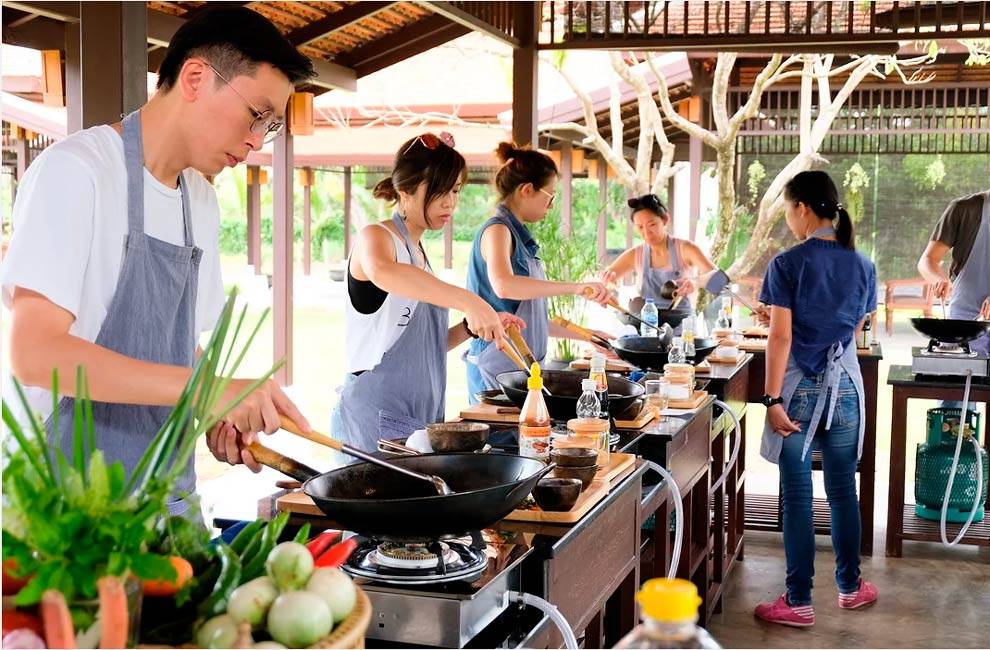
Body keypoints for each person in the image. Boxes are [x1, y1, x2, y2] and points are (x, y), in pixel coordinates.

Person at [1, 7, 314, 520]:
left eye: (272, 126)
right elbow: (36, 354)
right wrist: (206, 389)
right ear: (195, 78)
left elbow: (178, 350)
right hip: (64, 516)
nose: (258, 141)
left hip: (165, 504)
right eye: (257, 115)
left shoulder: (201, 201)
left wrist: (215, 414)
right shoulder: (77, 172)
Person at [333, 132, 523, 451]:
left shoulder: (419, 254)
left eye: (455, 191)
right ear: (405, 190)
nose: (450, 202)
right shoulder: (376, 239)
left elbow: (420, 349)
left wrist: (469, 328)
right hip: (372, 420)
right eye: (439, 191)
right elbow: (384, 272)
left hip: (418, 423)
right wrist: (471, 301)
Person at [755, 170, 879, 627]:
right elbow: (855, 328)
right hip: (846, 387)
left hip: (799, 391)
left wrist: (771, 399)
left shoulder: (787, 263)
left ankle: (798, 601)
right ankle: (851, 588)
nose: (789, 220)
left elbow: (781, 337)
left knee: (799, 495)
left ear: (802, 208)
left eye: (788, 210)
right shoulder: (864, 265)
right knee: (844, 491)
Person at [464, 142, 611, 398]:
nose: (551, 205)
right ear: (527, 190)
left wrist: (588, 335)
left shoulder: (521, 237)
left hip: (522, 369)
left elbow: (531, 321)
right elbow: (504, 284)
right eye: (550, 195)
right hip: (498, 368)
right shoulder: (497, 230)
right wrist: (576, 287)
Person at [600, 193, 717, 322]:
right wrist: (608, 282)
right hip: (647, 328)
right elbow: (605, 283)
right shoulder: (635, 254)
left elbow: (720, 281)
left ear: (665, 219)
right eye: (640, 227)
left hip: (683, 330)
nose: (646, 232)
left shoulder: (685, 249)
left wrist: (695, 282)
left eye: (652, 225)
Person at [917, 189, 990, 354]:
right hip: (965, 323)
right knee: (966, 376)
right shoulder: (964, 209)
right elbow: (928, 260)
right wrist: (938, 279)